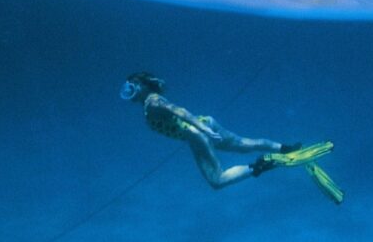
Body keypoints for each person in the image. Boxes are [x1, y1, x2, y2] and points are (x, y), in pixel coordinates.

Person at [120, 72, 313, 189]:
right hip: (202, 126)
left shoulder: (152, 101)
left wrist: (201, 129)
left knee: (217, 180)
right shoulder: (152, 100)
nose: (130, 90)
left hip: (196, 133)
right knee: (243, 144)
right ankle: (288, 149)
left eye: (133, 85)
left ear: (143, 86)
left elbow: (180, 111)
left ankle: (264, 163)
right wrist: (205, 126)